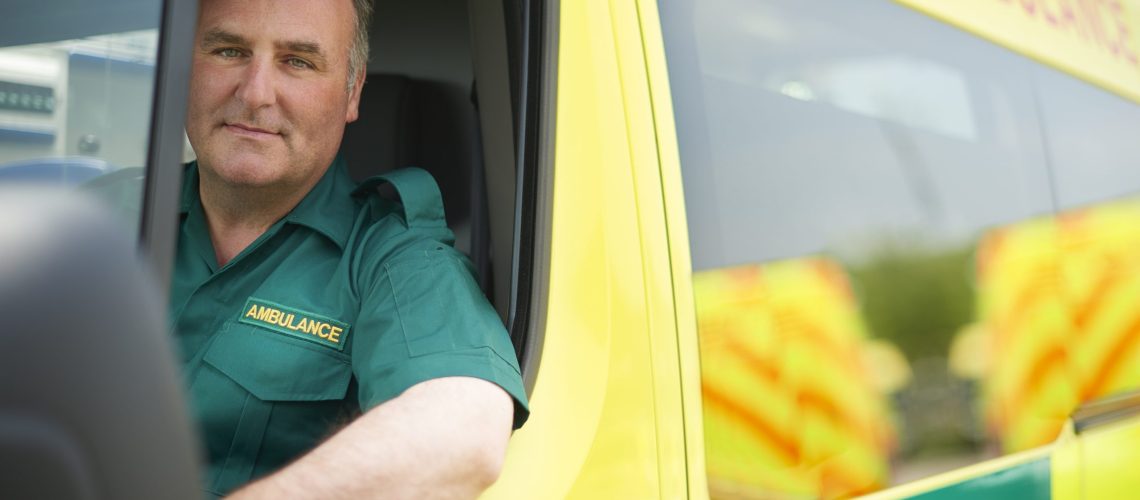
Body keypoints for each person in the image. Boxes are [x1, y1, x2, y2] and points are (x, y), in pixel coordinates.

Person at [172, 0, 529, 497]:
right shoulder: (105, 219)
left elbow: (464, 431)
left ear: (352, 91)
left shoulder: (392, 259)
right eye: (229, 51)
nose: (255, 93)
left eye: (297, 61)